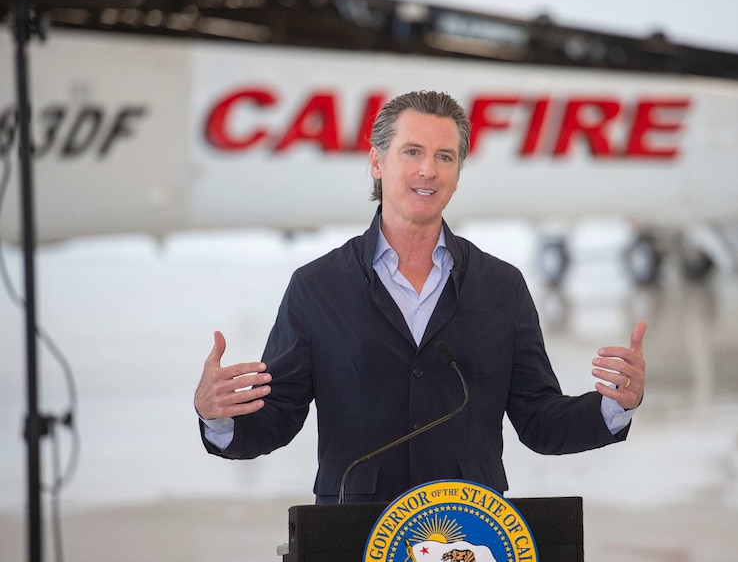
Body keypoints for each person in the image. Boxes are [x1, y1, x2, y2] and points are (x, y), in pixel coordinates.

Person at [194, 90, 646, 504]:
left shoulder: (501, 286)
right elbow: (278, 416)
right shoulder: (317, 287)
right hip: (354, 532)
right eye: (413, 152)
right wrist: (218, 417)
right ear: (377, 162)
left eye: (444, 157)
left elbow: (539, 421)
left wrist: (613, 405)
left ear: (457, 174)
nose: (428, 170)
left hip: (468, 531)